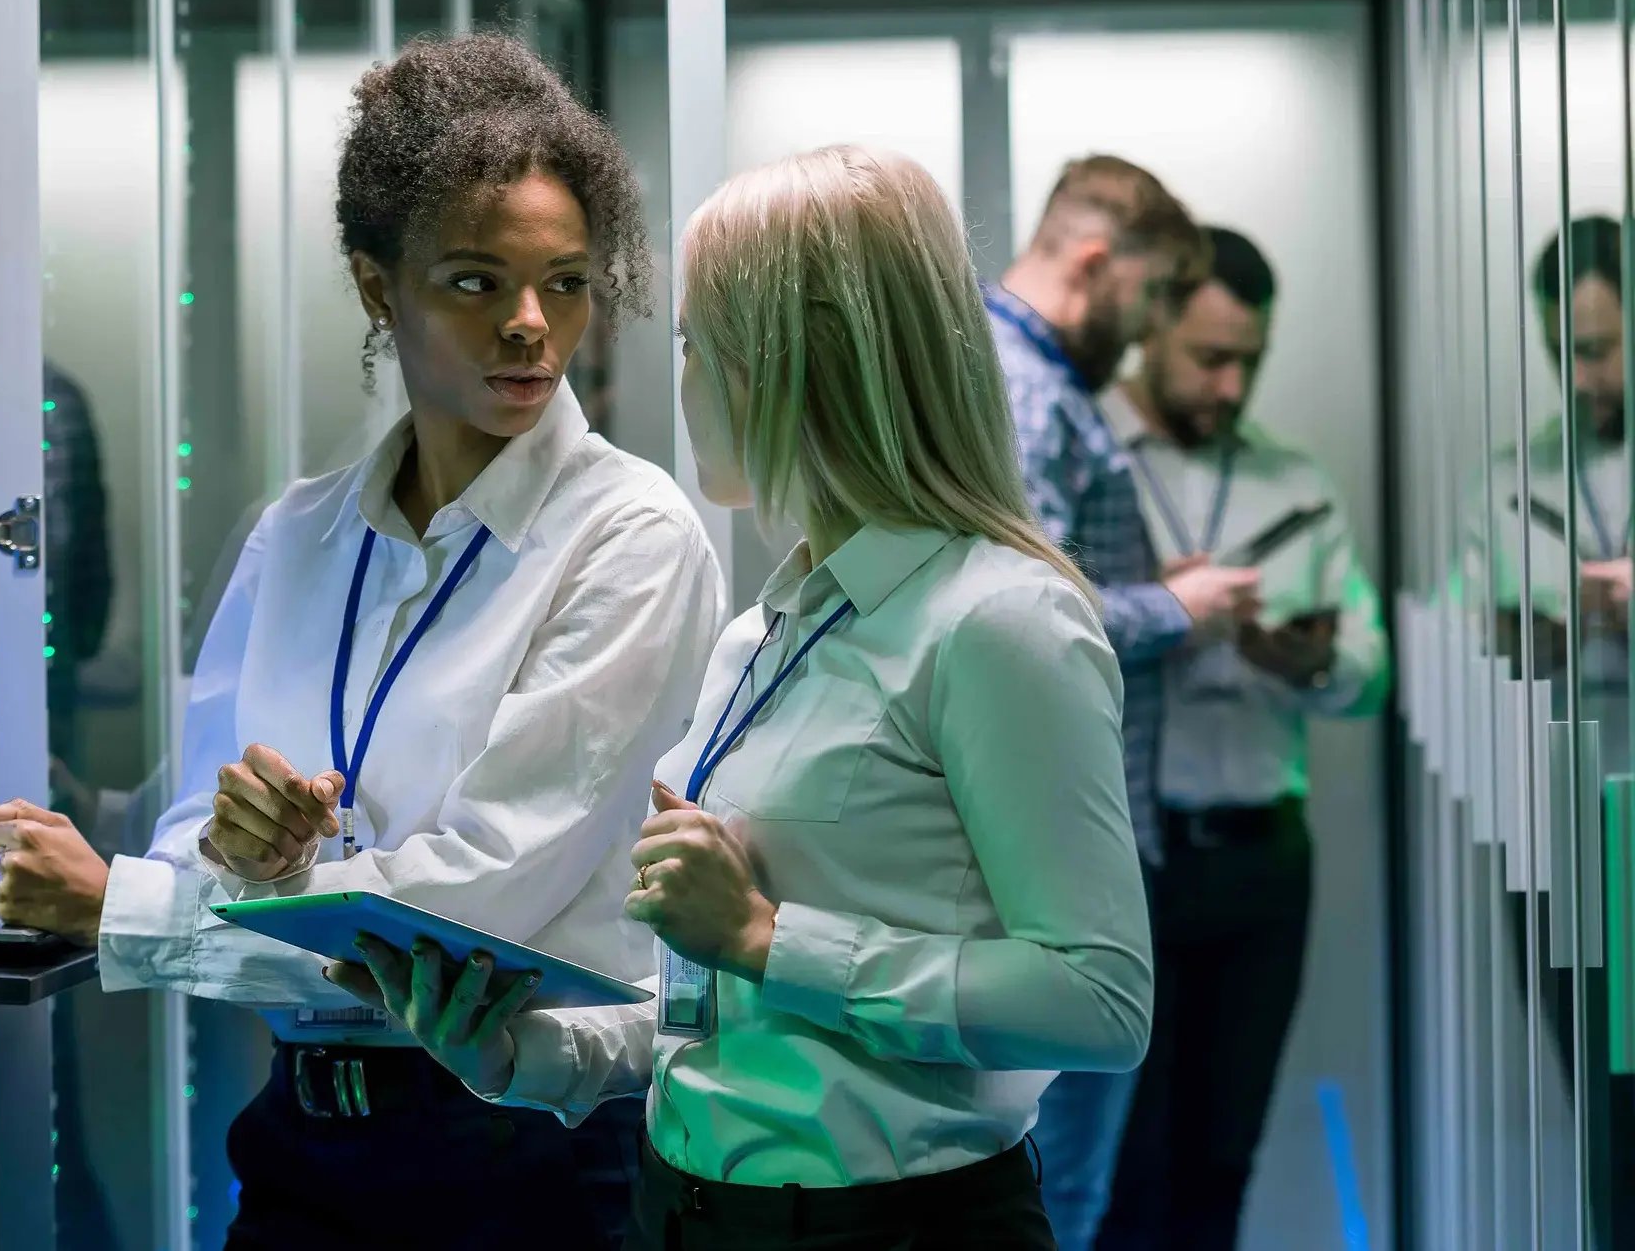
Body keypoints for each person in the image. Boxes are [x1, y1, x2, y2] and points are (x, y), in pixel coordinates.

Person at [0, 33, 726, 1251]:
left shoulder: (630, 538)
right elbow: (189, 829)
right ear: (380, 287)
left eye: (568, 281)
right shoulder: (301, 533)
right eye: (476, 282)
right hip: (300, 1147)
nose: (531, 325)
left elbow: (476, 909)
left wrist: (134, 908)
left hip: (520, 1153)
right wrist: (234, 845)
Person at [341, 145, 1154, 1251]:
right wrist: (513, 1055)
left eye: (692, 342)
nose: (677, 383)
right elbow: (711, 1004)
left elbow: (1099, 1005)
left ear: (794, 361)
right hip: (683, 1211)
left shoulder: (997, 621)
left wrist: (774, 938)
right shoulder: (765, 631)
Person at [1089, 228, 1389, 1250]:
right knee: (1124, 1169)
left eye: (1246, 363)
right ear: (1149, 330)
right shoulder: (1089, 459)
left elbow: (1365, 674)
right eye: (1207, 358)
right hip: (1127, 861)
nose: (1227, 386)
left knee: (1224, 1160)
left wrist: (1302, 660)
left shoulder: (1292, 482)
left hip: (1263, 862)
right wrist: (1157, 609)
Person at [984, 155, 1254, 1249]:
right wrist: (1177, 607)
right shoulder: (1023, 385)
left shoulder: (1033, 378)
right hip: (1048, 846)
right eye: (1148, 302)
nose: (1145, 336)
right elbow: (1021, 619)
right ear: (1094, 263)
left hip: (1066, 834)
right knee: (1062, 1195)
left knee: (1070, 1188)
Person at [1468, 216, 1635, 1249]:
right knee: (1603, 1120)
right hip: (1563, 826)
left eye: (1597, 348)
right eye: (1557, 352)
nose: (1575, 377)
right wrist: (1539, 629)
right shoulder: (1507, 477)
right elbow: (1472, 645)